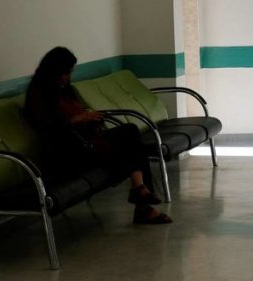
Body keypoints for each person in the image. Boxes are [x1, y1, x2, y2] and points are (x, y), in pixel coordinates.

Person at [24, 46, 172, 224]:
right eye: (64, 73)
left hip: (87, 143)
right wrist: (76, 120)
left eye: (69, 72)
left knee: (131, 135)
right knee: (131, 144)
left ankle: (140, 190)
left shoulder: (64, 91)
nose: (67, 77)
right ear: (52, 71)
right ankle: (141, 201)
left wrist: (90, 117)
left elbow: (78, 114)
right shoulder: (37, 95)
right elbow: (48, 129)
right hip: (67, 153)